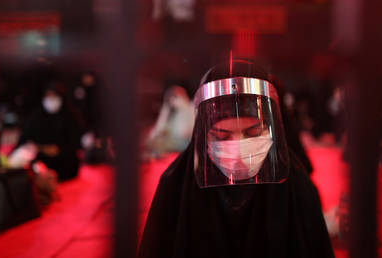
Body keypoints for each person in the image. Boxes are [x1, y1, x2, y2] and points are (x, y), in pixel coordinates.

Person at [138, 60, 334, 258]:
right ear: (202, 134)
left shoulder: (296, 185)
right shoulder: (176, 186)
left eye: (253, 132)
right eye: (222, 136)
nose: (238, 149)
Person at [10, 81, 83, 181]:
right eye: (48, 96)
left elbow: (75, 142)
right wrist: (40, 148)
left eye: (54, 96)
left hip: (64, 162)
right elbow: (24, 138)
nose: (51, 100)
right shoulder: (36, 116)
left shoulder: (70, 117)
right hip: (41, 158)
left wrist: (59, 150)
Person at [144, 85, 195, 159]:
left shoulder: (189, 108)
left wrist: (183, 107)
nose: (172, 102)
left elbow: (184, 132)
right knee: (151, 140)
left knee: (157, 142)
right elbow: (159, 128)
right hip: (173, 140)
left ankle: (155, 154)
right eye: (169, 100)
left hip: (183, 142)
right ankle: (154, 154)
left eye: (175, 98)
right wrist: (165, 110)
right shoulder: (172, 112)